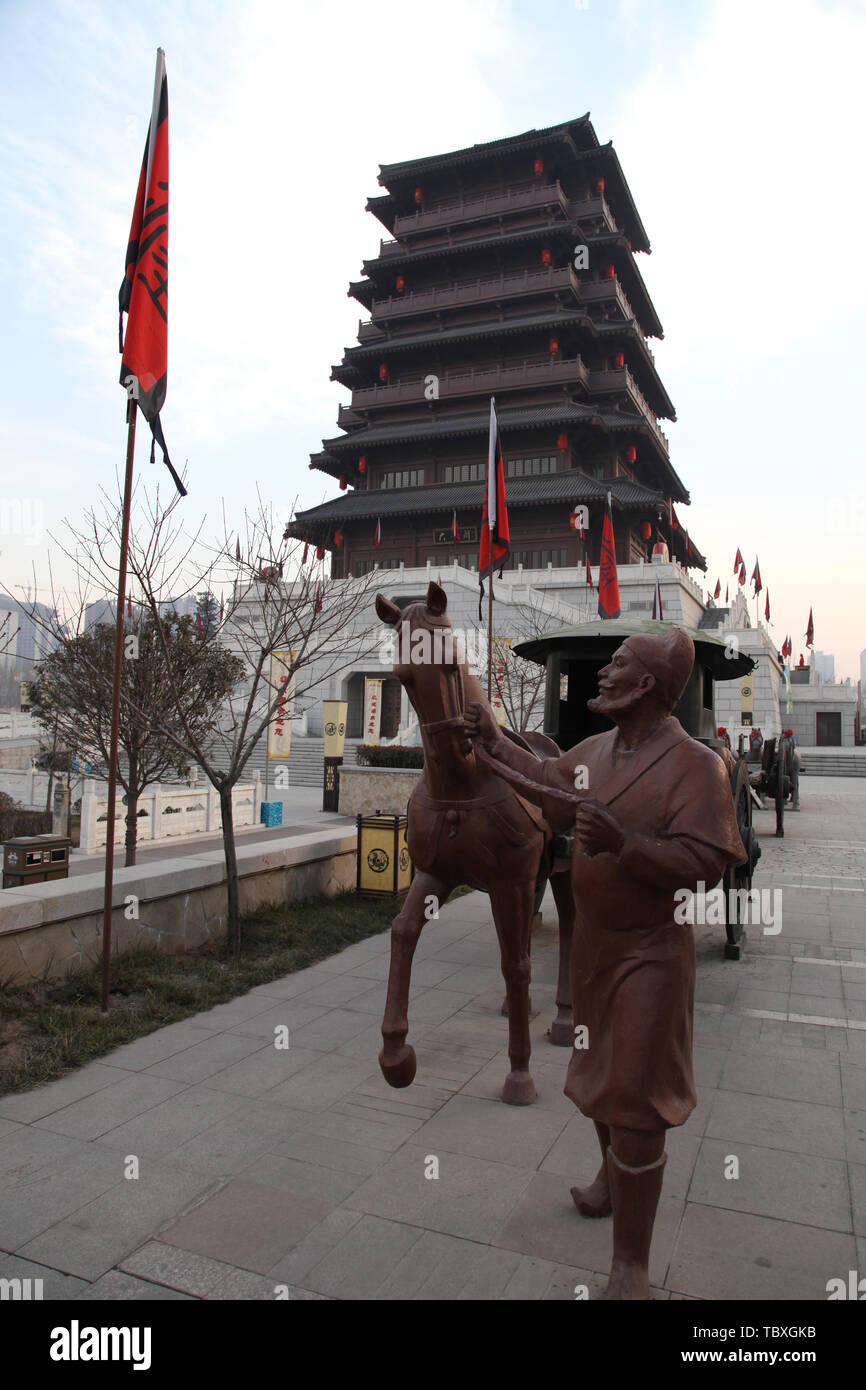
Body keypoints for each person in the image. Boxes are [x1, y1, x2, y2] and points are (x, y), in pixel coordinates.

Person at [464, 628, 746, 1300]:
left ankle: (630, 1266)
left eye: (618, 665)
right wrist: (490, 737)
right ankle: (612, 1182)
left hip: (652, 953)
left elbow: (704, 867)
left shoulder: (694, 766)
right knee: (596, 1076)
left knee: (637, 1100)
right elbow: (543, 781)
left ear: (647, 685)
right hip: (595, 948)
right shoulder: (596, 752)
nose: (604, 673)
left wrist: (628, 844)